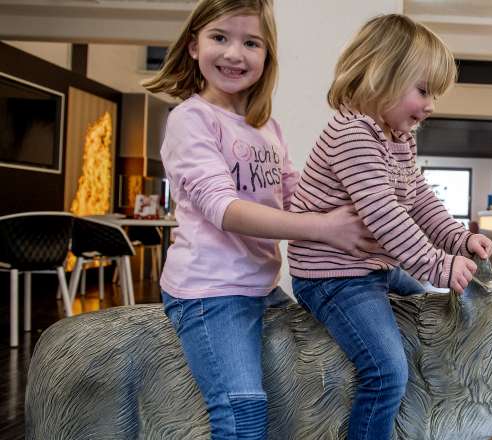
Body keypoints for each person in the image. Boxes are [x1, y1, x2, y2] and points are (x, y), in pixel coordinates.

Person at [143, 1, 377, 438]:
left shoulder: (265, 125)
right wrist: (325, 228)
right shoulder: (190, 119)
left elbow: (295, 194)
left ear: (267, 56)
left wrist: (363, 204)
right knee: (242, 415)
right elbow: (224, 210)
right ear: (194, 46)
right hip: (210, 291)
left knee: (305, 384)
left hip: (262, 287)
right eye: (220, 38)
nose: (235, 54)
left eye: (251, 43)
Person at [286, 14, 492, 440]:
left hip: (368, 266)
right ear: (381, 76)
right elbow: (385, 216)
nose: (432, 105)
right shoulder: (354, 134)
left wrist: (460, 238)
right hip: (333, 276)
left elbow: (418, 199)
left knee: (427, 317)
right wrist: (437, 264)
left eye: (434, 94)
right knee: (386, 370)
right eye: (423, 91)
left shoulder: (398, 136)